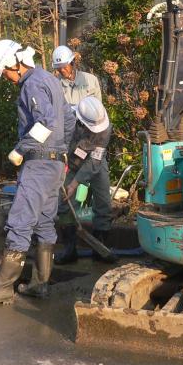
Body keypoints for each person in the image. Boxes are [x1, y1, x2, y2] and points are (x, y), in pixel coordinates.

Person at [0, 39, 74, 306]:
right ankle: (41, 284)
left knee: (20, 221)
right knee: (44, 222)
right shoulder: (50, 79)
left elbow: (46, 121)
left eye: (4, 72)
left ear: (12, 63)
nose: (5, 77)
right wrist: (62, 152)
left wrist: (21, 149)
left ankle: (3, 287)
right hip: (55, 164)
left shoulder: (31, 83)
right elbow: (68, 121)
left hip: (39, 164)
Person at [56, 96, 113, 264]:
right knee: (65, 203)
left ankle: (100, 249)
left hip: (95, 162)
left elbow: (95, 160)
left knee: (104, 203)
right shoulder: (66, 119)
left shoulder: (105, 126)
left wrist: (76, 183)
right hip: (71, 162)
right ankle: (69, 249)